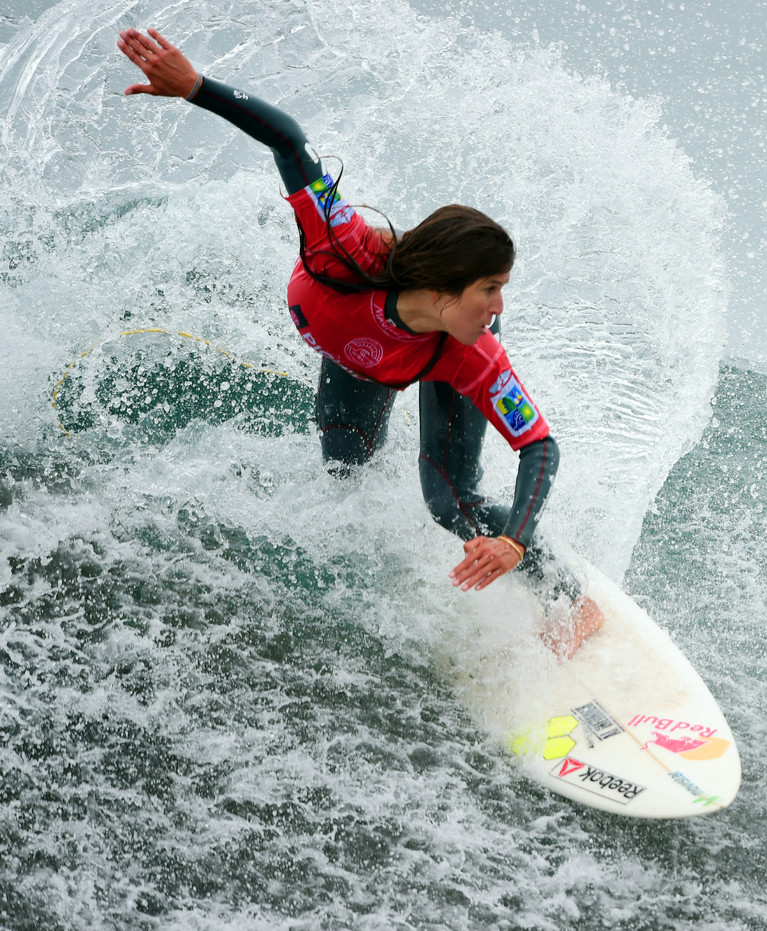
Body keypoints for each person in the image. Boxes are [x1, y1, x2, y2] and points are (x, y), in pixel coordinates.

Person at [117, 27, 602, 658]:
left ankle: (572, 599)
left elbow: (538, 446)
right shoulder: (343, 247)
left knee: (449, 500)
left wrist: (514, 539)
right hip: (362, 358)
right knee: (345, 464)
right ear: (443, 286)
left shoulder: (474, 349)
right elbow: (289, 141)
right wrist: (197, 89)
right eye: (491, 288)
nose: (500, 307)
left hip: (427, 358)